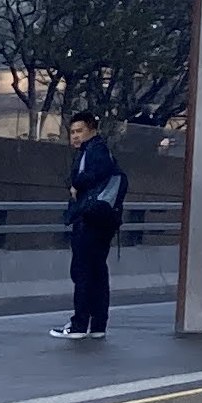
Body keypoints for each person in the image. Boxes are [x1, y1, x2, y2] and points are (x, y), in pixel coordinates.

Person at [54, 111, 125, 339]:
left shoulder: (95, 150)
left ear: (92, 130)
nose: (75, 136)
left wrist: (76, 184)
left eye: (79, 131)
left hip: (90, 218)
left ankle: (78, 325)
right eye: (72, 132)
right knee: (97, 272)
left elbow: (93, 175)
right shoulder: (100, 149)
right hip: (103, 220)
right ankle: (97, 325)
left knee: (83, 271)